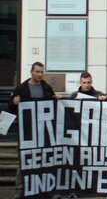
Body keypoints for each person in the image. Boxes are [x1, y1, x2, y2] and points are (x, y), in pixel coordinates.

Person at [10, 62, 59, 199]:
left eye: (42, 72)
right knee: (23, 163)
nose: (40, 74)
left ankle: (44, 189)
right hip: (27, 133)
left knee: (44, 160)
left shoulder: (47, 88)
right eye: (37, 71)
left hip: (43, 132)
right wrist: (14, 102)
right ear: (32, 72)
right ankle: (20, 191)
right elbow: (11, 108)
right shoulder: (21, 88)